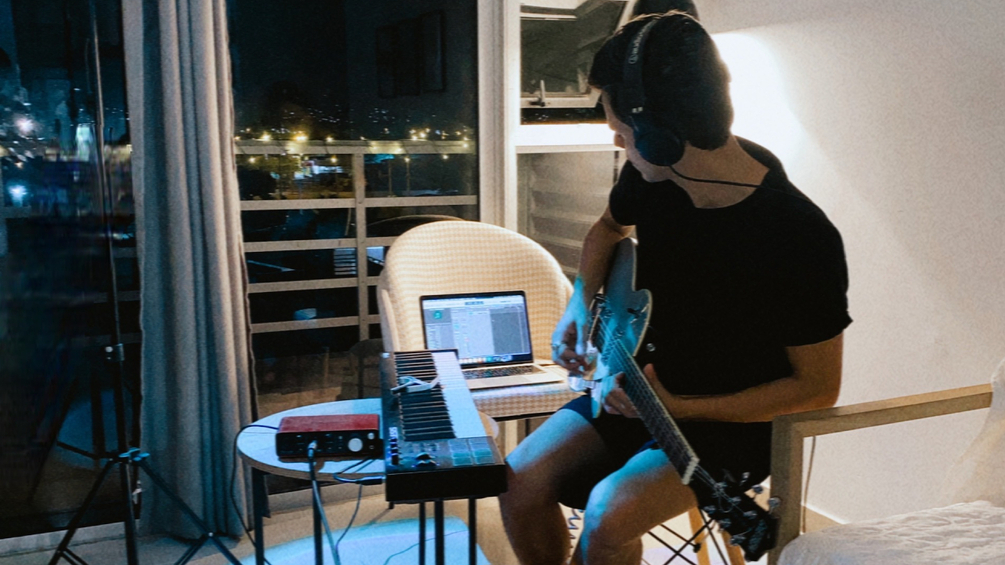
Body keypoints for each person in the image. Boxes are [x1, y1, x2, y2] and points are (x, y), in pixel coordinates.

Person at [498, 11, 852, 565]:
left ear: (662, 136)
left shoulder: (798, 235)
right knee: (518, 479)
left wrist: (684, 407)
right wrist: (578, 305)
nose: (615, 140)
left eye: (621, 130)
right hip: (638, 387)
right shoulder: (651, 177)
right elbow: (607, 230)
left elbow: (816, 389)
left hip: (730, 421)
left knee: (607, 514)